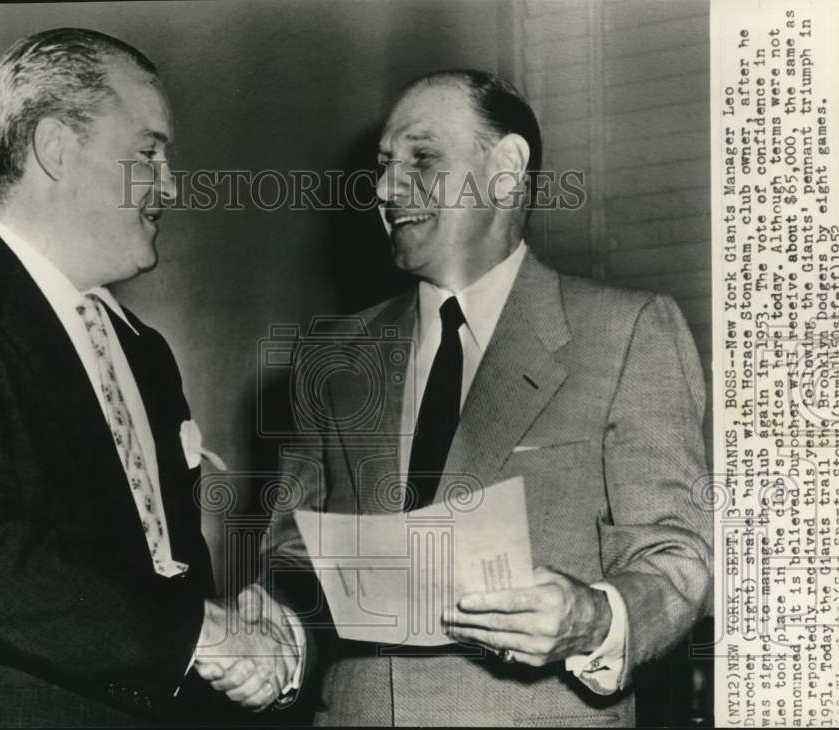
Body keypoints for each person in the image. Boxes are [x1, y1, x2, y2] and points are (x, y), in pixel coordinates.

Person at [214, 70, 714, 725]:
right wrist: (275, 627)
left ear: (506, 169)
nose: (387, 189)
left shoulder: (627, 331)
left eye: (422, 160)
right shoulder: (328, 356)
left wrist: (594, 618)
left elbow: (676, 555)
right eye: (384, 166)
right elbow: (295, 556)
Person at [0, 28, 296, 728]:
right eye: (148, 153)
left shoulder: (144, 352)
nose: (170, 184)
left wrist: (239, 644)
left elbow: (164, 575)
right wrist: (204, 634)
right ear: (55, 147)